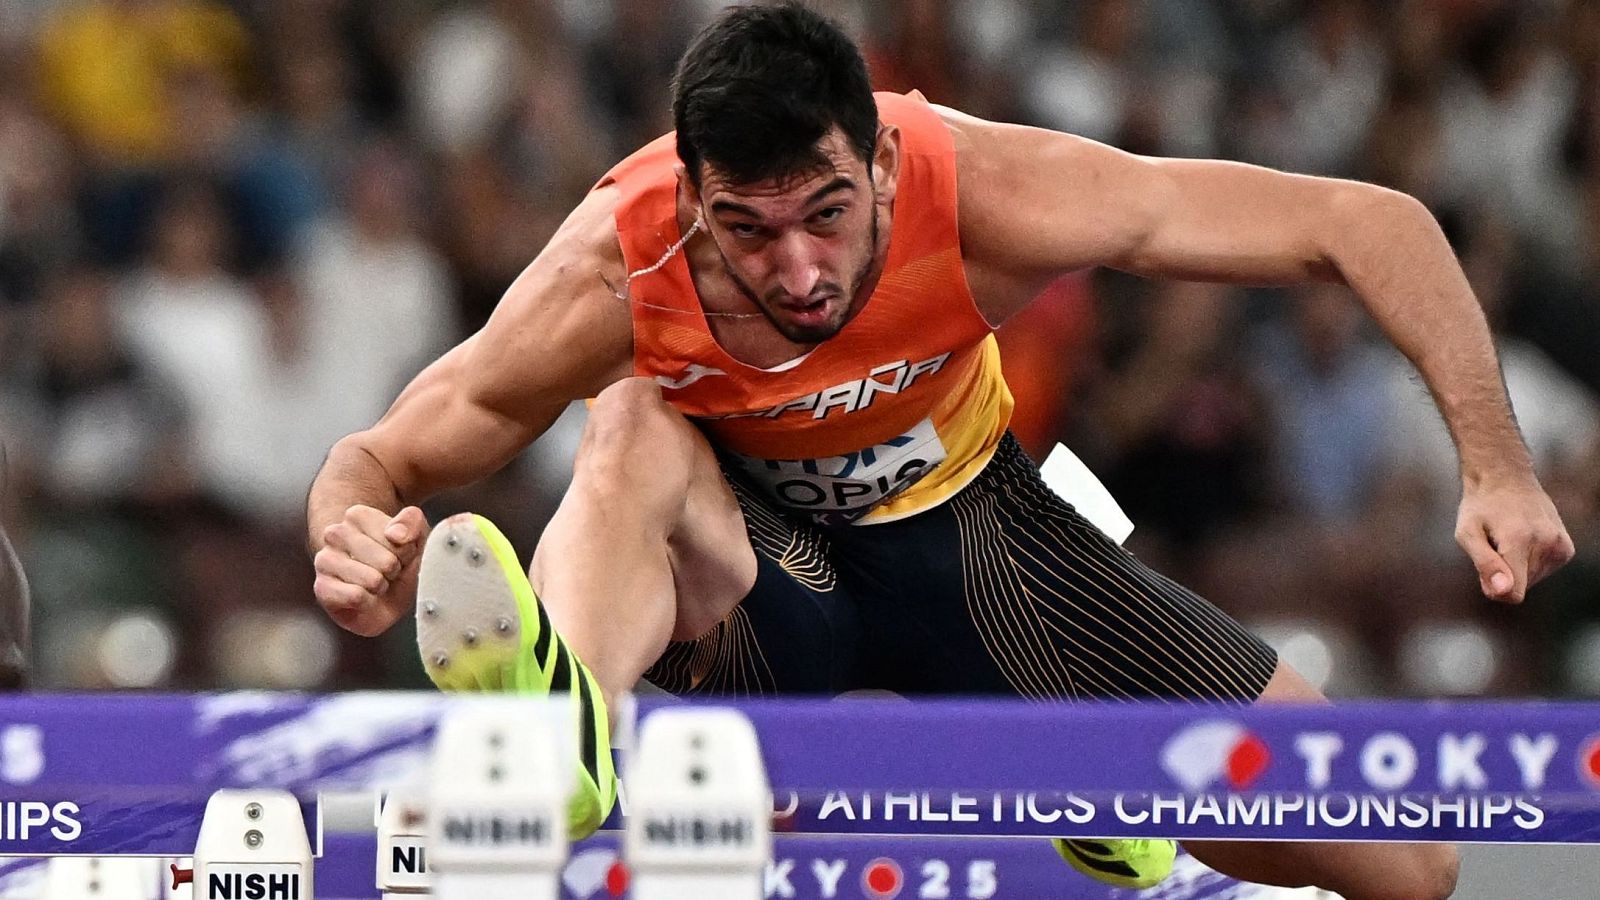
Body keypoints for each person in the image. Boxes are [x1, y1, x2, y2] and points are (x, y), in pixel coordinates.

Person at [308, 5, 1573, 896]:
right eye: (745, 231)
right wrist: (350, 541)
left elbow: (1363, 222)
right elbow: (380, 456)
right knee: (632, 420)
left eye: (825, 214)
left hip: (983, 547)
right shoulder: (617, 266)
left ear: (880, 162)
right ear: (692, 199)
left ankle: (1089, 788)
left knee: (1408, 866)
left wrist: (1497, 462)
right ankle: (565, 731)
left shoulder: (984, 189)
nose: (795, 270)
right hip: (760, 589)